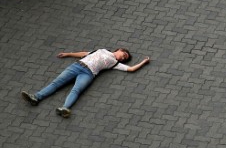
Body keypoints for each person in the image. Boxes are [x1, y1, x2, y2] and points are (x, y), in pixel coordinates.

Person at [21, 48, 150, 118]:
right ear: (119, 49)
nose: (123, 57)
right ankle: (36, 97)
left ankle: (65, 108)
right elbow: (84, 53)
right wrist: (69, 54)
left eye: (125, 58)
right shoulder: (101, 50)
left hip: (88, 74)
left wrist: (143, 62)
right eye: (124, 54)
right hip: (77, 66)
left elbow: (131, 69)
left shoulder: (115, 63)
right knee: (56, 84)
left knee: (76, 90)